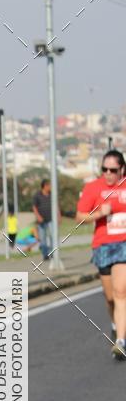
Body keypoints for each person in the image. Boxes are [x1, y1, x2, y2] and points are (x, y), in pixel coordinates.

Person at [76, 149, 126, 360]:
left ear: (122, 169)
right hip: (103, 245)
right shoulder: (93, 188)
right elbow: (80, 216)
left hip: (123, 243)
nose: (108, 174)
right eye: (104, 169)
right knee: (110, 298)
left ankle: (121, 341)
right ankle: (115, 323)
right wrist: (99, 213)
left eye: (112, 170)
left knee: (121, 291)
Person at [32, 178, 55, 261]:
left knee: (53, 236)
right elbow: (34, 207)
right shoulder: (37, 195)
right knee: (43, 238)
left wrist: (58, 216)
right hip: (41, 220)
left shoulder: (52, 194)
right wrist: (38, 216)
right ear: (45, 186)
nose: (50, 187)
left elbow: (56, 205)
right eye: (49, 185)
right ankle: (45, 254)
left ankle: (52, 253)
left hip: (51, 219)